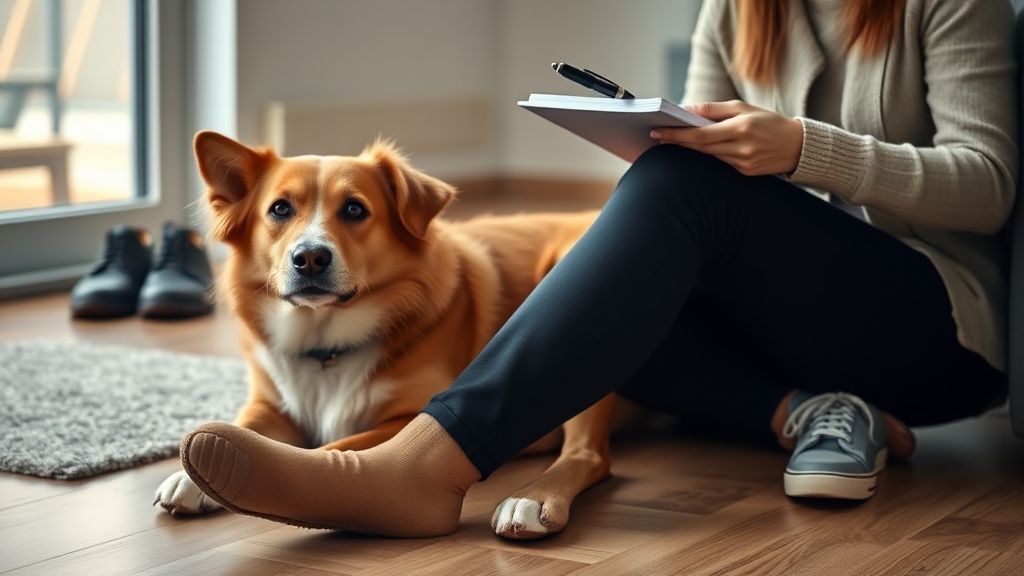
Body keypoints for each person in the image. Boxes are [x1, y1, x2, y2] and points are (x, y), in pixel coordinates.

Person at [178, 0, 1017, 537]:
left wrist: (803, 150)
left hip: (931, 330)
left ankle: (422, 467)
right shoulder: (736, 10)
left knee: (682, 185)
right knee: (640, 228)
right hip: (773, 340)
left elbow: (990, 185)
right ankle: (809, 412)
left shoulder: (947, 5)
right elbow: (689, 173)